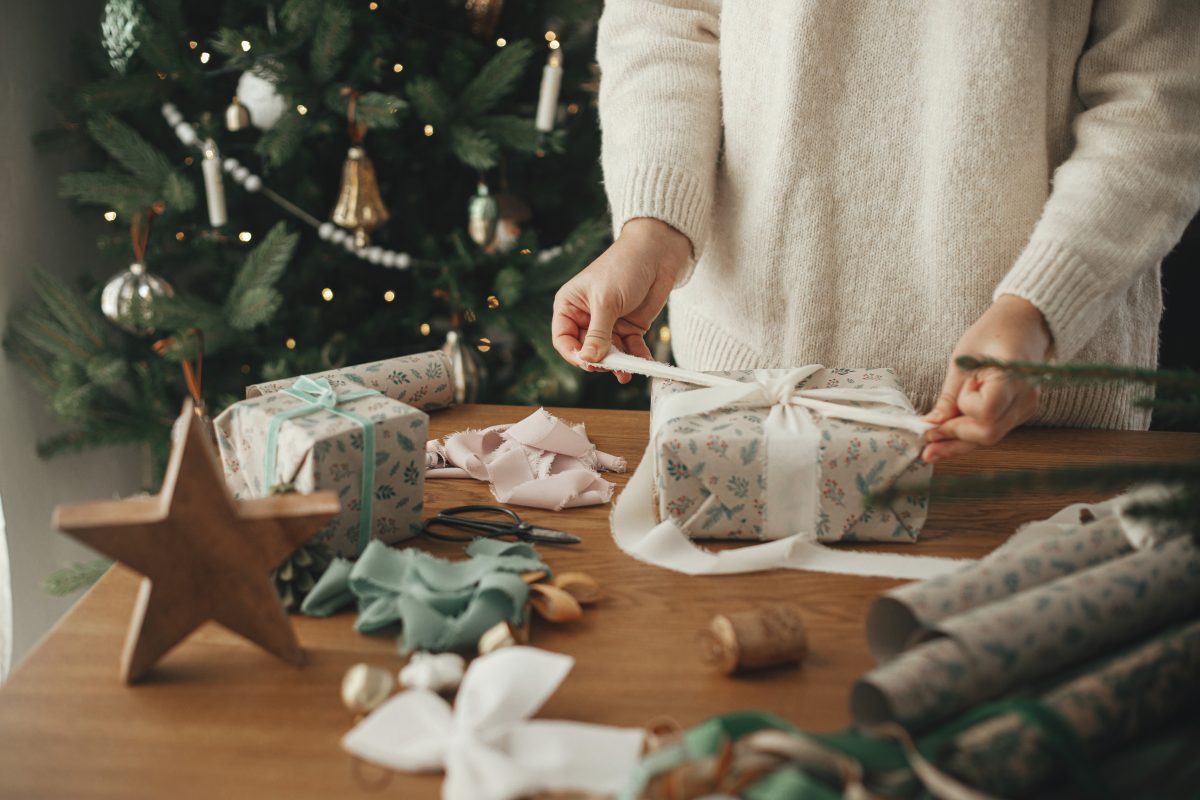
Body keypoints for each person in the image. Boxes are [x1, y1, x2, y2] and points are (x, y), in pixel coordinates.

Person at [552, 1, 1200, 463]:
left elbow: (1160, 96)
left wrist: (1044, 305)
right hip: (748, 399)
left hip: (1028, 412)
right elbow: (664, 22)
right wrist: (654, 229)